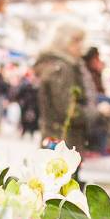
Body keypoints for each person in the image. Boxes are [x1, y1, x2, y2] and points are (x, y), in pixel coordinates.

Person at [34, 22, 89, 150]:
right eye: (76, 41)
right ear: (63, 42)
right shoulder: (62, 69)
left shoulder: (57, 66)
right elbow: (68, 111)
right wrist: (95, 114)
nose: (81, 46)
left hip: (55, 140)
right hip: (62, 142)